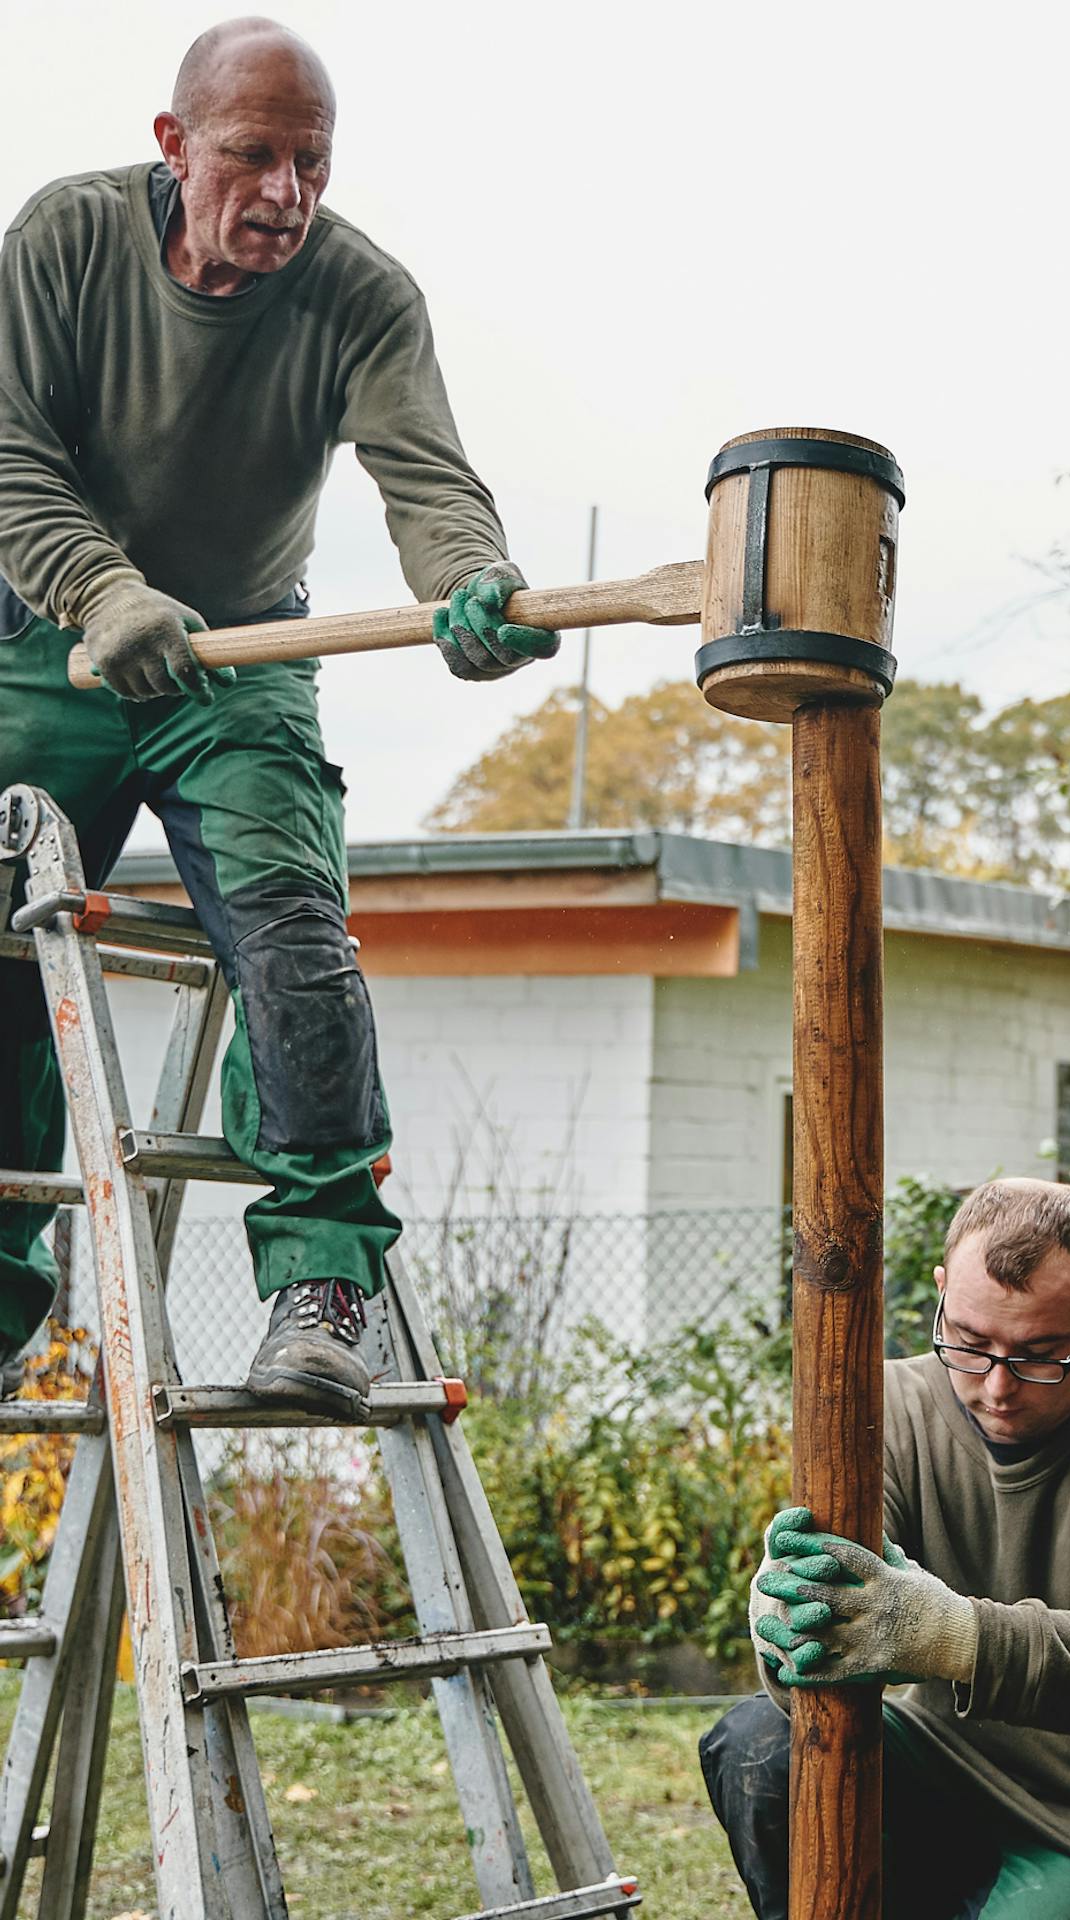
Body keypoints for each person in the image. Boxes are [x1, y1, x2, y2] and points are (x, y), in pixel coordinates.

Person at [0, 17, 557, 1416]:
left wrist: (473, 583)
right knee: (4, 956)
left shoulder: (362, 292)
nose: (286, 195)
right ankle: (1, 1298)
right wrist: (100, 588)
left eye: (311, 162)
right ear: (175, 144)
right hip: (47, 644)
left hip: (242, 656)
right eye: (253, 156)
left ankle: (318, 1288)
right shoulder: (64, 244)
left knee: (295, 935)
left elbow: (428, 477)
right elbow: (3, 450)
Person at [700, 1177, 1070, 1920]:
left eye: (1039, 1353)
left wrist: (959, 1638)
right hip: (939, 1761)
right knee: (757, 1748)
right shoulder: (886, 1409)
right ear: (939, 1294)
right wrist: (795, 1616)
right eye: (968, 1343)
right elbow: (841, 1597)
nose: (997, 1387)